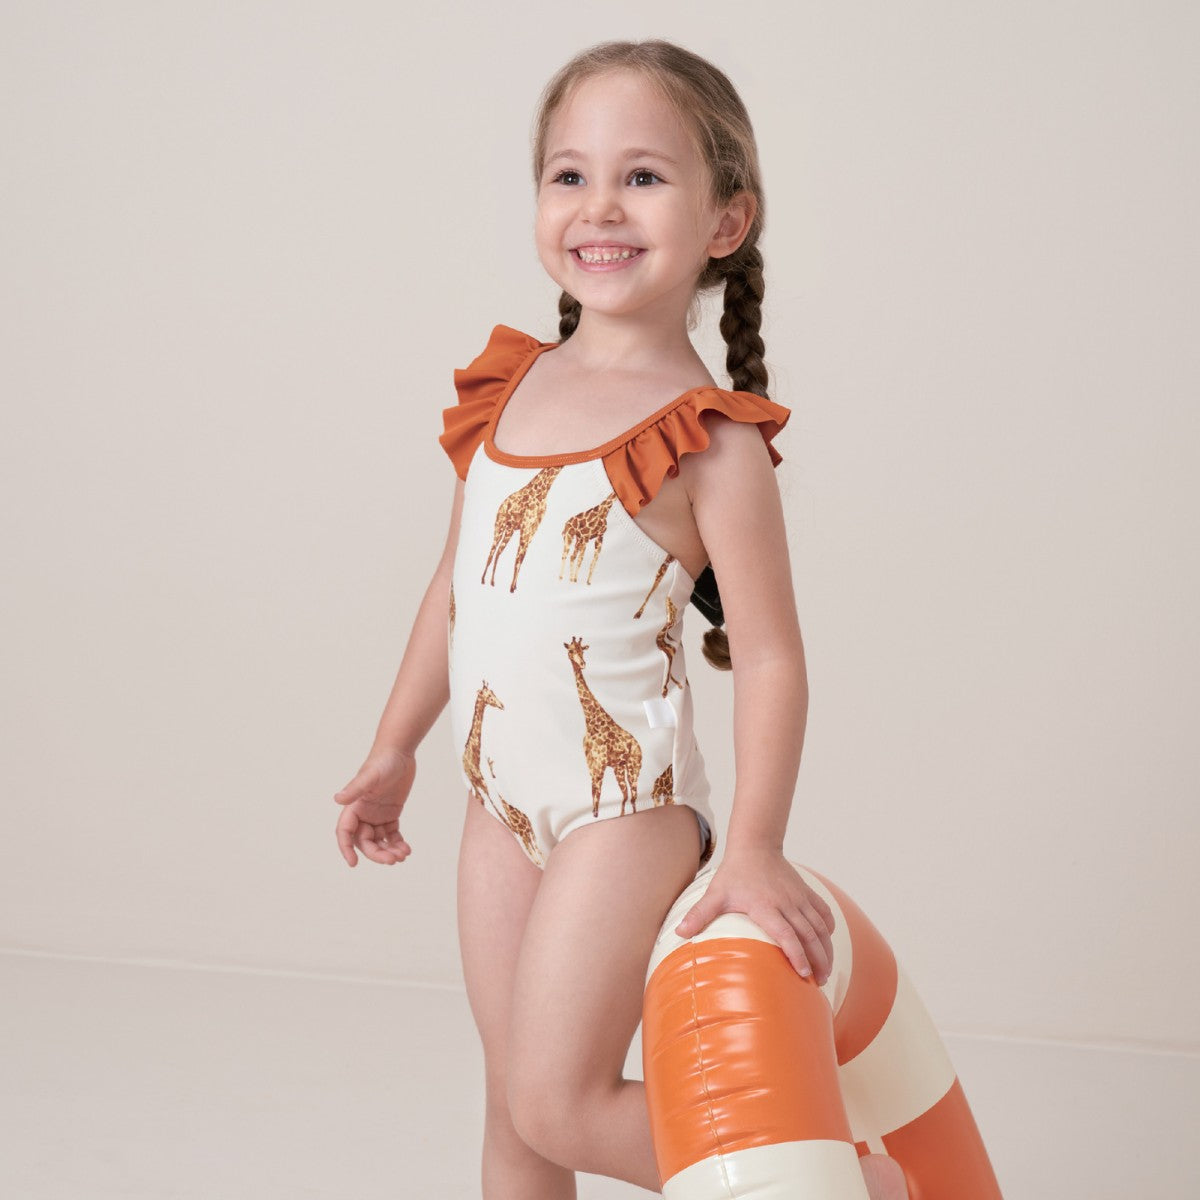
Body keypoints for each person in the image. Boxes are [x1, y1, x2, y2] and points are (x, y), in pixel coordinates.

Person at [333, 39, 908, 1200]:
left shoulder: (710, 436)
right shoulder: (511, 386)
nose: (600, 205)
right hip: (496, 804)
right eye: (568, 175)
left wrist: (750, 844)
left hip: (622, 814)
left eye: (643, 177)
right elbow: (455, 590)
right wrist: (395, 745)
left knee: (562, 1099)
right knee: (513, 1111)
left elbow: (777, 657)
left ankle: (840, 1182)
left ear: (725, 221)